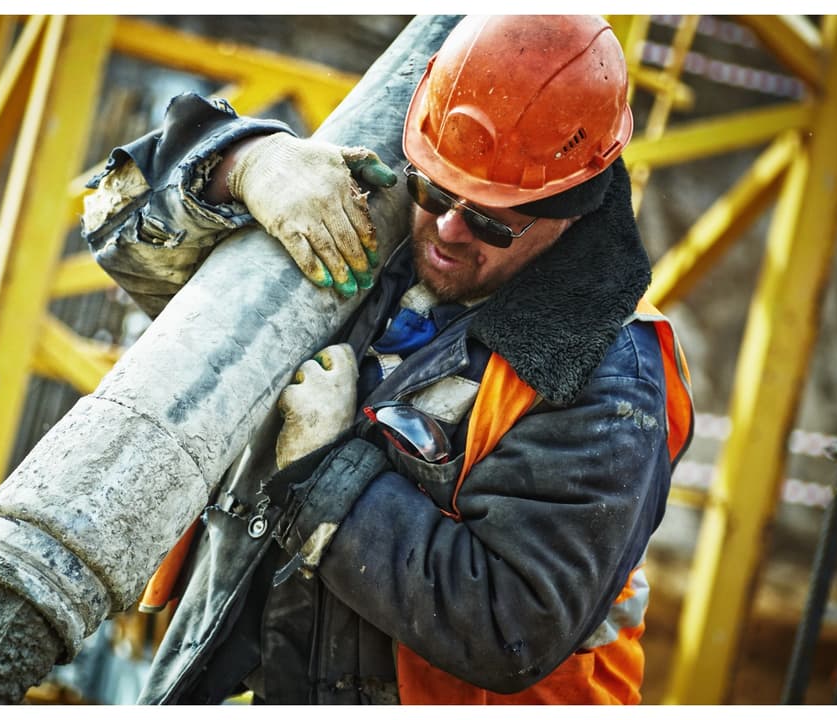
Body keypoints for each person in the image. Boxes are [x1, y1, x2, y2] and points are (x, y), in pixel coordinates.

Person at [82, 15, 694, 704]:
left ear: (572, 211)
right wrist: (238, 166)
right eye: (434, 190)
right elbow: (117, 226)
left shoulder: (609, 379)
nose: (449, 232)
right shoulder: (379, 222)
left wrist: (322, 472)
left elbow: (510, 623)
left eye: (491, 220)